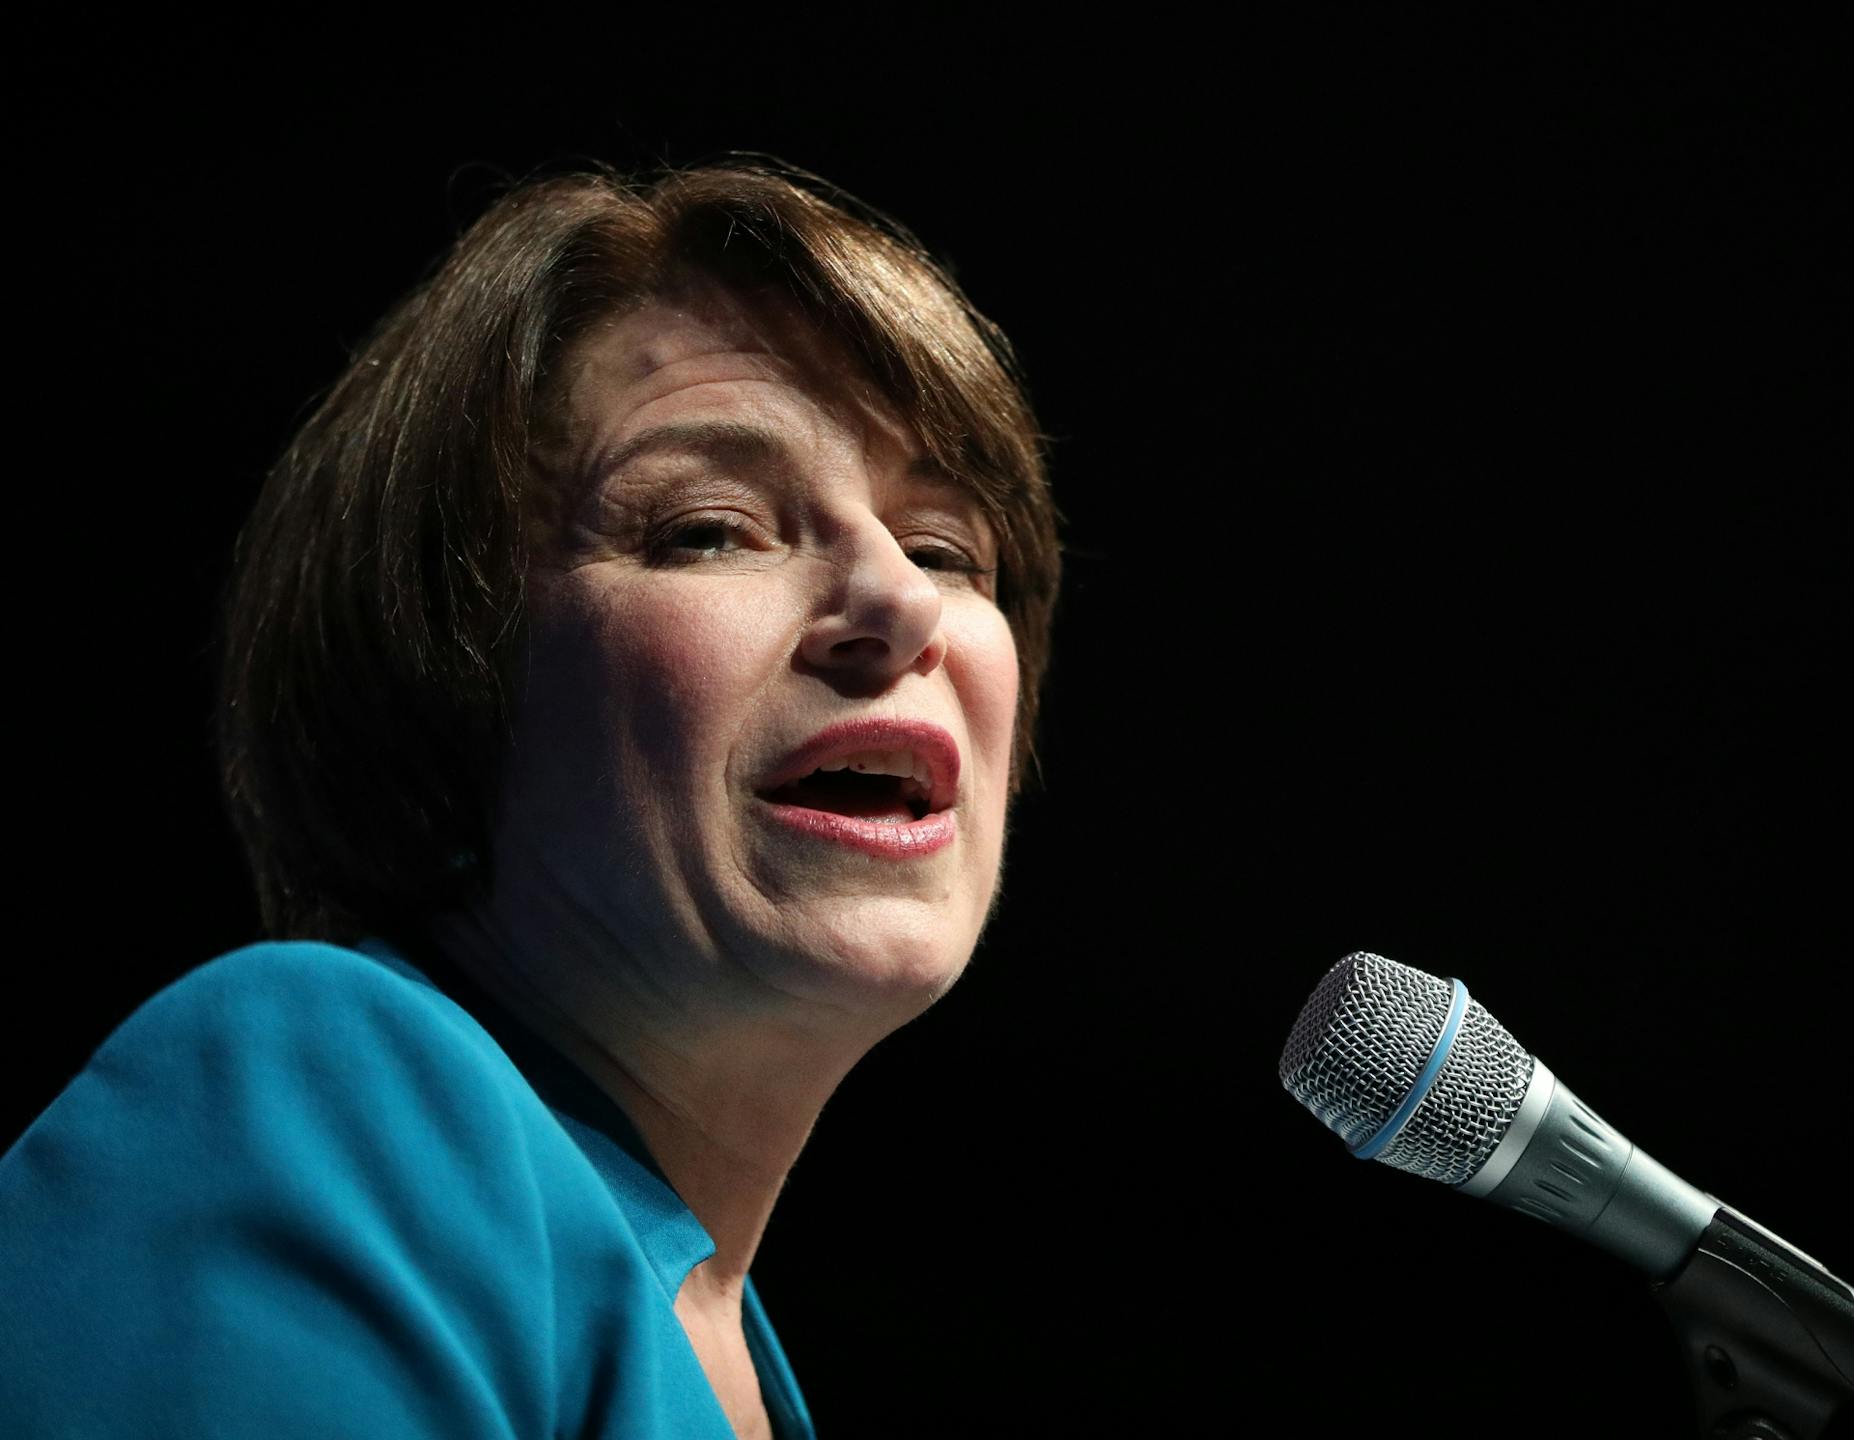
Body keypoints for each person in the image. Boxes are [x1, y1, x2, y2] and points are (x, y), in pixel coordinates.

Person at [0, 161, 1060, 1438]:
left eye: (947, 549)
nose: (898, 604)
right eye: (708, 528)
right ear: (446, 676)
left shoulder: (716, 1343)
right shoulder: (327, 1087)